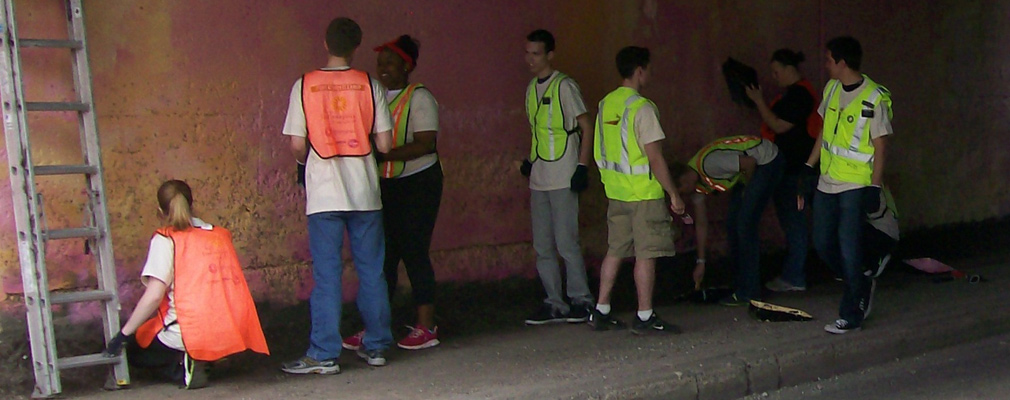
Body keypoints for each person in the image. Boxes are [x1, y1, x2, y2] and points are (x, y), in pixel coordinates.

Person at [280, 17, 395, 373]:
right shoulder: (369, 86)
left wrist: (309, 160)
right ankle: (376, 347)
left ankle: (324, 353)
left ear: (326, 44)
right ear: (356, 47)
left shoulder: (305, 86)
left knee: (327, 275)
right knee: (372, 272)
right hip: (365, 194)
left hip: (325, 196)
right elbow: (386, 144)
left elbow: (298, 145)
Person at [102, 180, 269, 390]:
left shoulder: (165, 240)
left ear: (160, 210)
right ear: (192, 204)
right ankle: (206, 358)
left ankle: (181, 365)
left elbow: (154, 296)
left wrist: (123, 335)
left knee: (135, 350)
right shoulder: (219, 236)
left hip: (189, 332)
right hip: (228, 330)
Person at [342, 35, 443, 351]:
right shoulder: (378, 97)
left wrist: (385, 155)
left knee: (414, 251)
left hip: (418, 184)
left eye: (390, 62)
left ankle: (427, 325)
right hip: (388, 183)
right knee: (382, 258)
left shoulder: (420, 97)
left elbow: (427, 143)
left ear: (407, 65)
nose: (382, 68)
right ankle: (374, 326)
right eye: (380, 62)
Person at [589, 46, 686, 335]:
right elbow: (654, 157)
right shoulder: (642, 108)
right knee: (646, 254)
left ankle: (601, 309)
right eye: (649, 69)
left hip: (616, 192)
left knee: (615, 250)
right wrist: (674, 194)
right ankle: (644, 315)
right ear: (640, 70)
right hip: (643, 194)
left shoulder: (606, 104)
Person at [803, 36, 893, 334]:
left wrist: (874, 187)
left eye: (829, 59)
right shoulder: (831, 89)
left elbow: (881, 147)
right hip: (827, 181)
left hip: (856, 184)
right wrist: (809, 166)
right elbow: (824, 134)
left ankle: (851, 311)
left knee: (848, 246)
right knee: (823, 242)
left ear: (842, 63)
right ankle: (861, 281)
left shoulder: (874, 98)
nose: (825, 64)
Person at [520, 29, 596, 325]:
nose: (530, 59)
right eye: (527, 52)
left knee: (566, 242)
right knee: (543, 246)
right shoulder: (530, 88)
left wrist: (582, 166)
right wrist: (529, 161)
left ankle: (582, 299)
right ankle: (555, 302)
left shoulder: (564, 86)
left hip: (564, 173)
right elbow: (538, 132)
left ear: (550, 55)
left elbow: (586, 125)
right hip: (540, 174)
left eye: (535, 53)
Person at [673, 135, 784, 306]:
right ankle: (742, 284)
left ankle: (750, 293)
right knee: (733, 225)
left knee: (745, 226)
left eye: (681, 189)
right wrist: (701, 262)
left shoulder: (708, 165)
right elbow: (701, 223)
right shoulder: (697, 185)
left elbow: (749, 163)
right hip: (746, 171)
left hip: (766, 161)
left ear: (685, 177)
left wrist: (748, 190)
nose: (683, 195)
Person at [744, 49, 821, 293]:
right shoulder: (797, 94)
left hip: (795, 171)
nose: (774, 77)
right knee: (808, 223)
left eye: (776, 71)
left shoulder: (800, 95)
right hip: (802, 169)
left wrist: (758, 101)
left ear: (790, 69)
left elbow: (778, 125)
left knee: (794, 224)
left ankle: (794, 276)